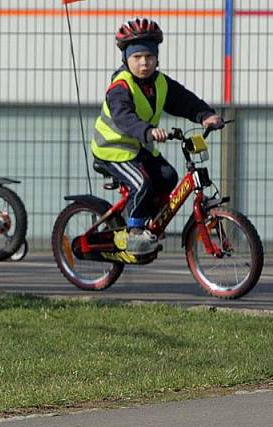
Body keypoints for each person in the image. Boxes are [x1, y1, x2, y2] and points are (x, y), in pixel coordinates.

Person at [91, 18, 224, 256]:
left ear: (157, 58)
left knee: (168, 176)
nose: (144, 63)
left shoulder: (160, 83)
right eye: (137, 57)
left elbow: (185, 101)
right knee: (142, 183)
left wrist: (206, 115)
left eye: (150, 57)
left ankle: (147, 221)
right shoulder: (120, 87)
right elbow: (124, 117)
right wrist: (148, 131)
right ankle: (134, 233)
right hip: (112, 150)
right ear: (126, 59)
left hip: (139, 148)